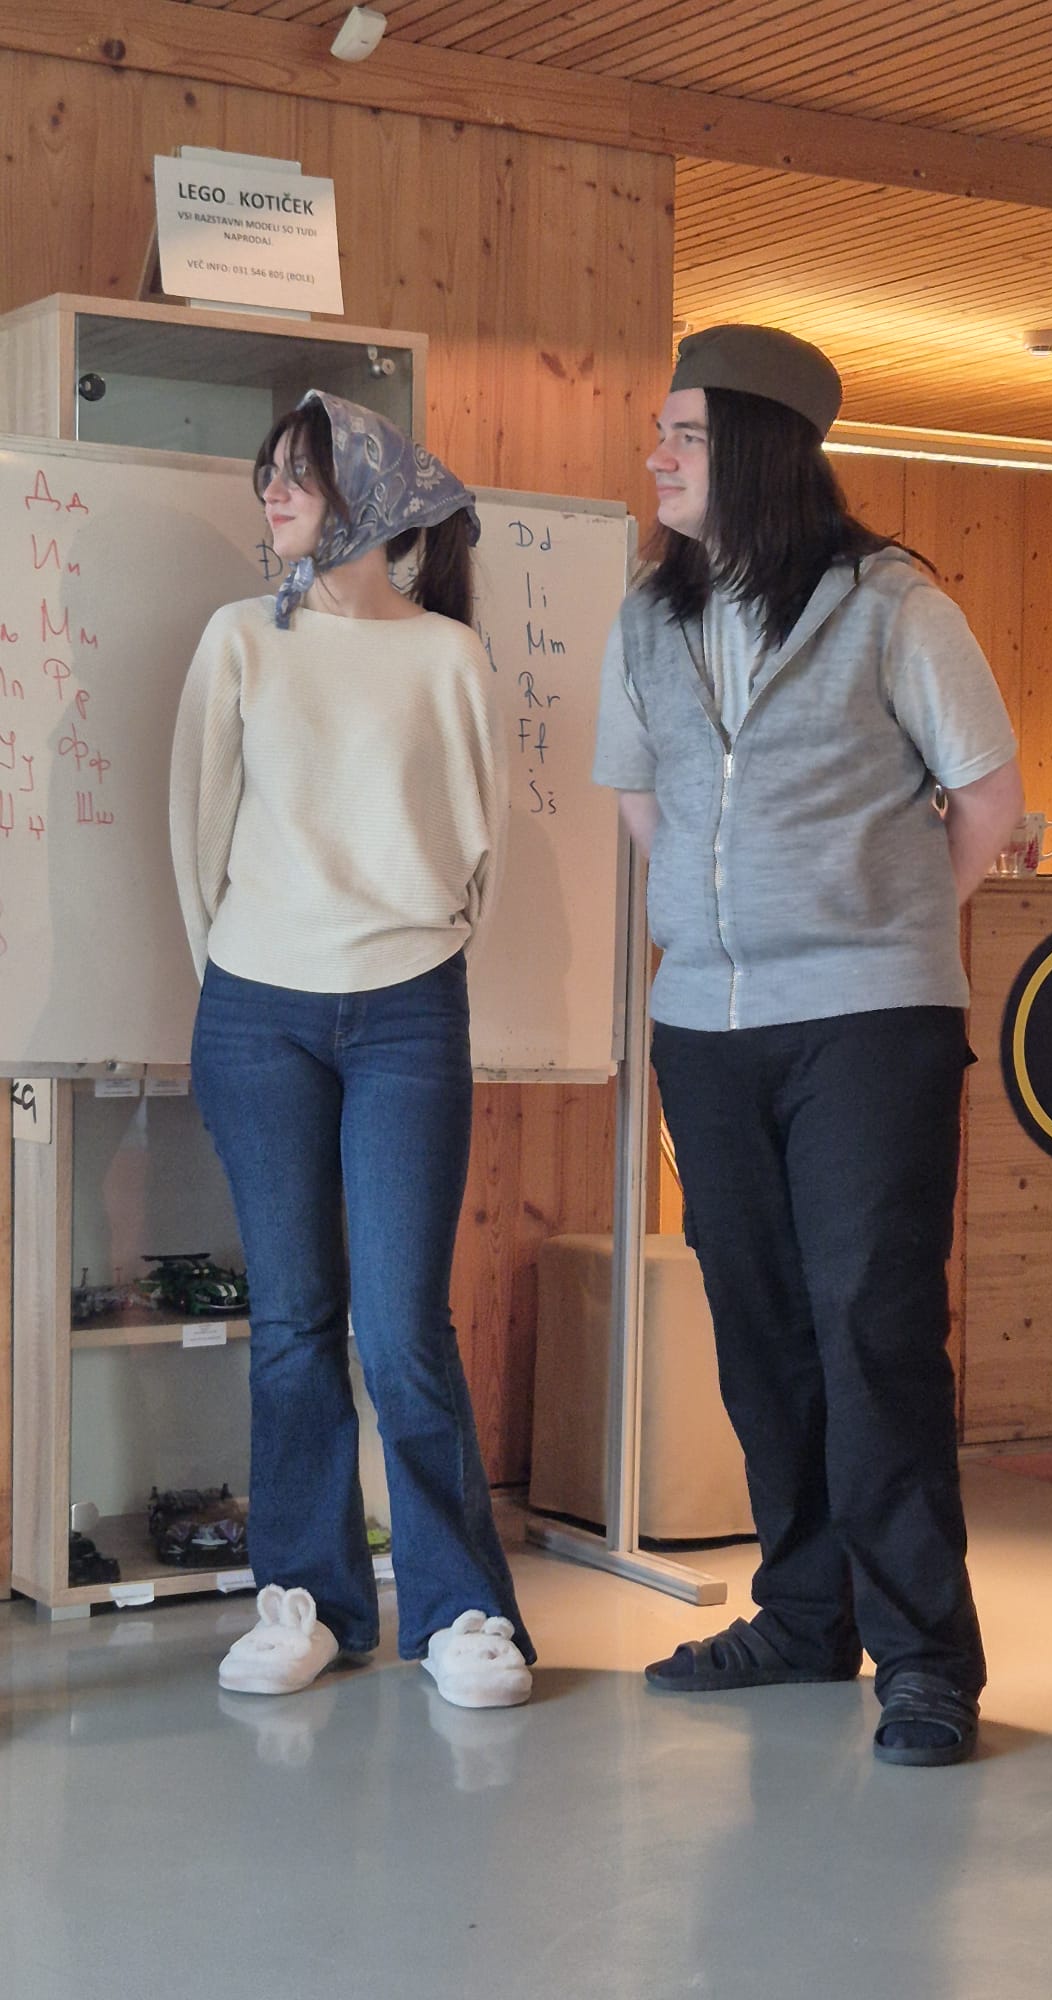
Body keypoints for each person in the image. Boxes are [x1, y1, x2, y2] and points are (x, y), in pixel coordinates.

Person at [593, 325, 1024, 1766]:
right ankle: (800, 1615)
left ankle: (925, 1657)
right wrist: (715, 923)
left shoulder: (892, 604)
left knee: (871, 1325)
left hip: (869, 1021)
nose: (656, 457)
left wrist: (880, 927)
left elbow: (985, 798)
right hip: (708, 1026)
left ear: (760, 450)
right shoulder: (646, 621)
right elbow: (643, 801)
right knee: (762, 1325)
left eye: (683, 435)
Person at [170, 390, 534, 1708]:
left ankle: (461, 1612)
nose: (271, 494)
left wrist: (404, 948)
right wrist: (246, 967)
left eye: (299, 476)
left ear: (370, 498)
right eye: (266, 473)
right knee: (291, 1324)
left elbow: (481, 849)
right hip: (256, 1008)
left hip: (408, 1007)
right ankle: (308, 1600)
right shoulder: (239, 640)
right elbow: (197, 832)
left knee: (402, 1328)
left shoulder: (448, 655)